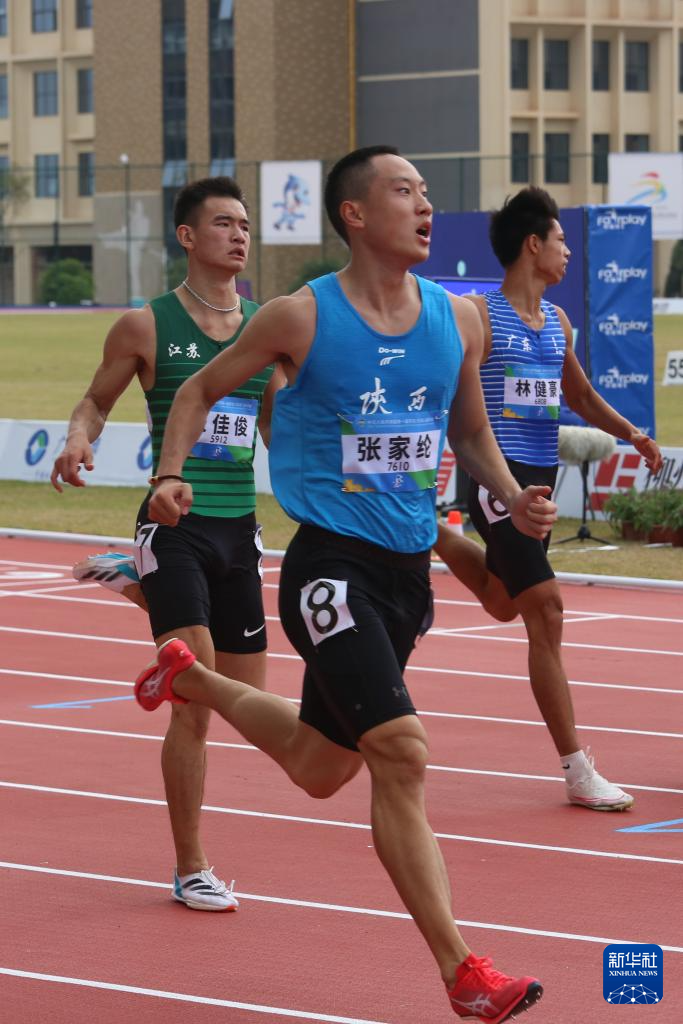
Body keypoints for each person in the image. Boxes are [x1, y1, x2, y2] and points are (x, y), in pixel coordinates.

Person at [134, 146, 553, 1022]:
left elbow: (470, 438)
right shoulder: (299, 316)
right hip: (330, 567)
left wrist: (513, 502)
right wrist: (167, 475)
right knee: (400, 753)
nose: (425, 205)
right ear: (355, 215)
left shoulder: (455, 321)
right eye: (404, 191)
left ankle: (190, 678)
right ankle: (461, 973)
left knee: (319, 767)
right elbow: (199, 390)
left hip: (407, 574)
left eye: (427, 193)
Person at [51, 176, 283, 911]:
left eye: (245, 224)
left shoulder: (263, 326)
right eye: (223, 223)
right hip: (172, 522)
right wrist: (76, 440)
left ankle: (134, 585)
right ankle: (190, 868)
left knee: (247, 696)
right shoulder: (145, 326)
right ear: (187, 236)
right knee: (195, 704)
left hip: (238, 529)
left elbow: (277, 427)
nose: (239, 235)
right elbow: (96, 400)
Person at [434, 185, 663, 812]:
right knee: (548, 610)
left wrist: (633, 434)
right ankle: (576, 768)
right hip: (497, 480)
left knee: (507, 600)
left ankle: (429, 533)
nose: (567, 251)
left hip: (539, 479)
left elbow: (581, 398)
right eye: (560, 240)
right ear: (532, 245)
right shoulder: (477, 314)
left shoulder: (557, 323)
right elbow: (450, 397)